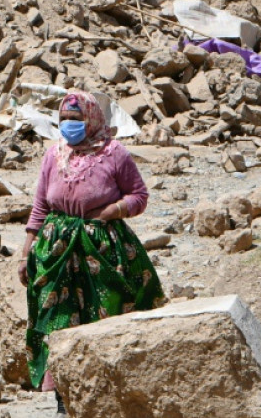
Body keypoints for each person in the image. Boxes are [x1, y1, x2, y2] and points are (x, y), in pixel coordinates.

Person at [17, 91, 166, 414]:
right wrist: (26, 250)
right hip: (56, 249)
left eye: (77, 119)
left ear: (93, 119)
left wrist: (114, 209)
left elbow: (139, 195)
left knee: (106, 314)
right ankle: (63, 397)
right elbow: (41, 205)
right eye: (65, 119)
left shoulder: (114, 153)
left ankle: (111, 394)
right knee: (55, 319)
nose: (69, 125)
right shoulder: (53, 155)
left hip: (102, 247)